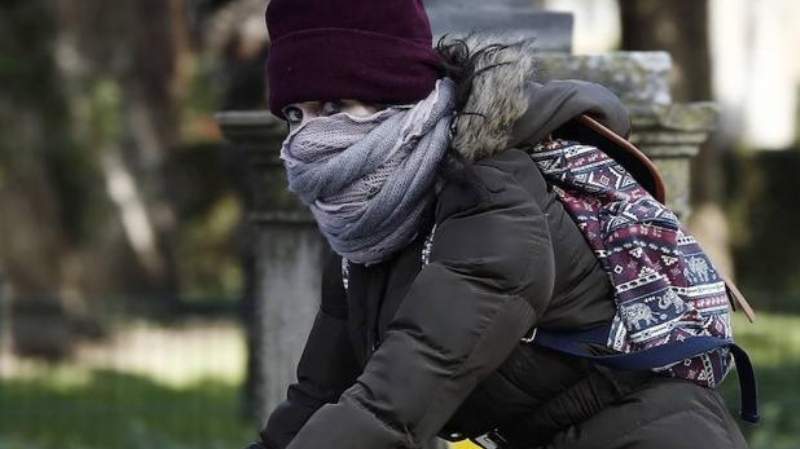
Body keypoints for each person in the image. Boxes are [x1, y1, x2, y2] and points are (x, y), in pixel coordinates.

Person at [250, 0, 751, 448]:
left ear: (394, 96)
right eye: (295, 115)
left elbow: (400, 398)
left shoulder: (490, 196)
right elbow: (320, 393)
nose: (309, 136)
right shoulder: (368, 227)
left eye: (334, 106)